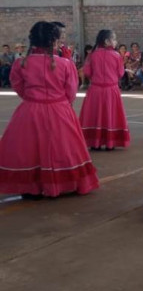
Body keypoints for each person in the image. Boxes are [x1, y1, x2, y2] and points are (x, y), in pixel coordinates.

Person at [0, 21, 99, 198]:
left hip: (29, 111)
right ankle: (63, 184)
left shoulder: (21, 63)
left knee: (29, 150)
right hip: (59, 110)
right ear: (54, 41)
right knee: (63, 149)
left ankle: (32, 187)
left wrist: (33, 100)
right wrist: (60, 103)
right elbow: (71, 91)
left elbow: (18, 86)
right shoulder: (65, 64)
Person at [79, 30, 131, 151]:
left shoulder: (92, 55)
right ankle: (110, 143)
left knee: (94, 115)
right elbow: (120, 73)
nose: (116, 41)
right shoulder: (116, 55)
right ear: (107, 41)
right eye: (114, 39)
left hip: (95, 90)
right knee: (110, 115)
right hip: (111, 90)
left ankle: (94, 143)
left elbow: (87, 72)